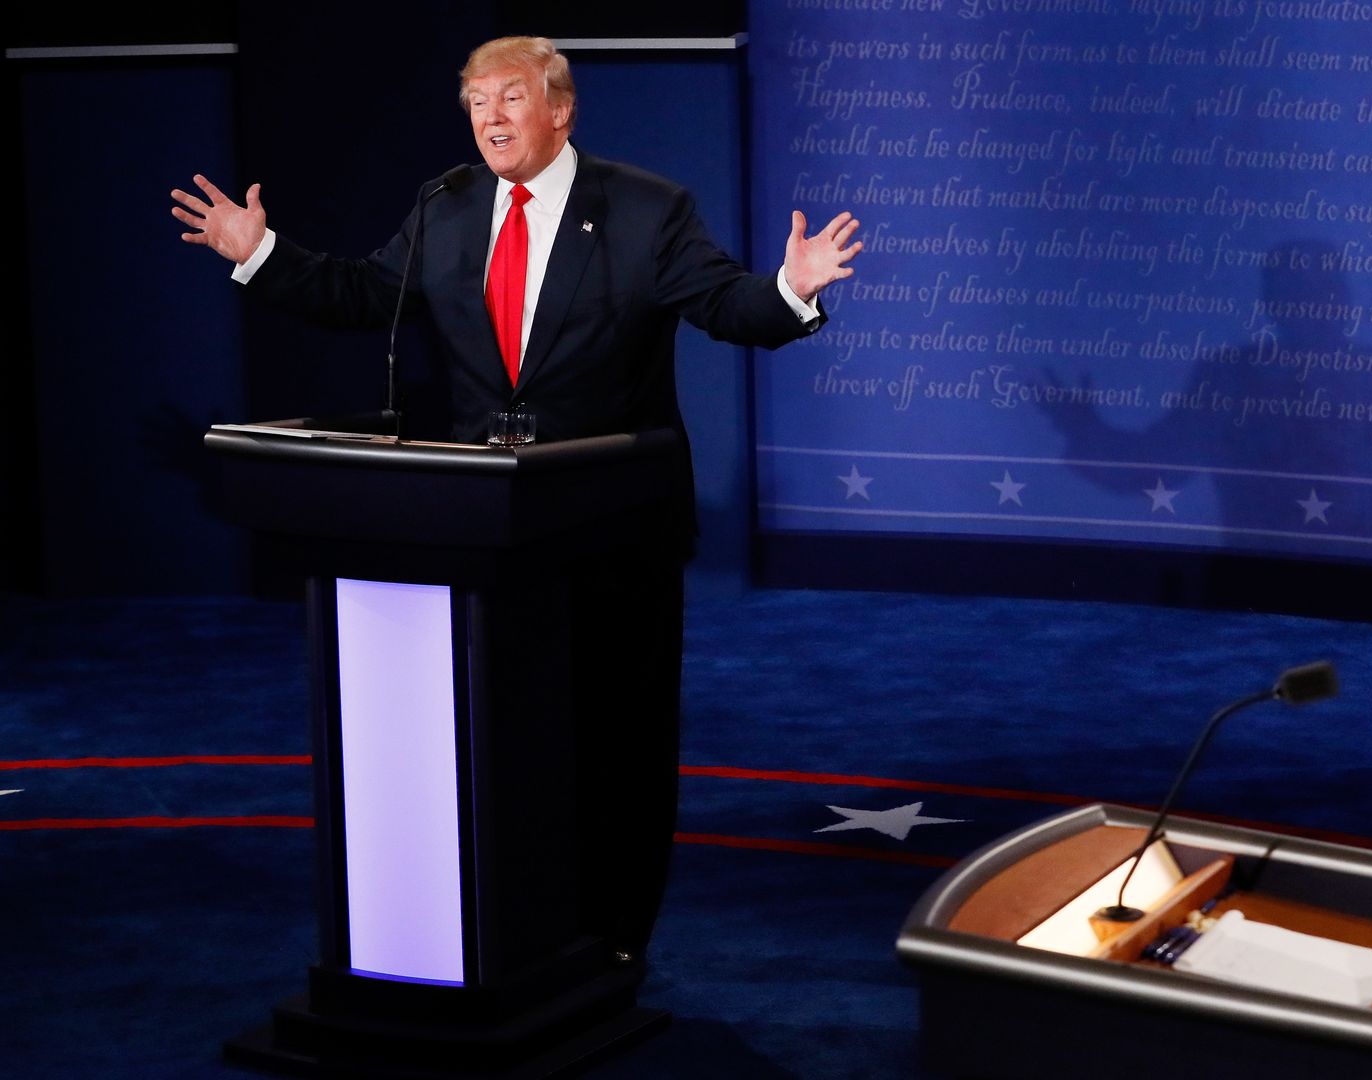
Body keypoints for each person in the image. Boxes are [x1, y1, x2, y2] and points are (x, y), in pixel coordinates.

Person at [169, 35, 864, 964]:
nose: (490, 119)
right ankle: (518, 926)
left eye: (509, 98)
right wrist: (262, 254)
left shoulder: (646, 207)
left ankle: (616, 936)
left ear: (559, 108)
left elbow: (726, 305)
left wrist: (791, 289)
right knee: (508, 743)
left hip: (613, 530)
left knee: (619, 742)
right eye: (476, 103)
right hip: (484, 535)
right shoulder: (446, 208)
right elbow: (364, 294)